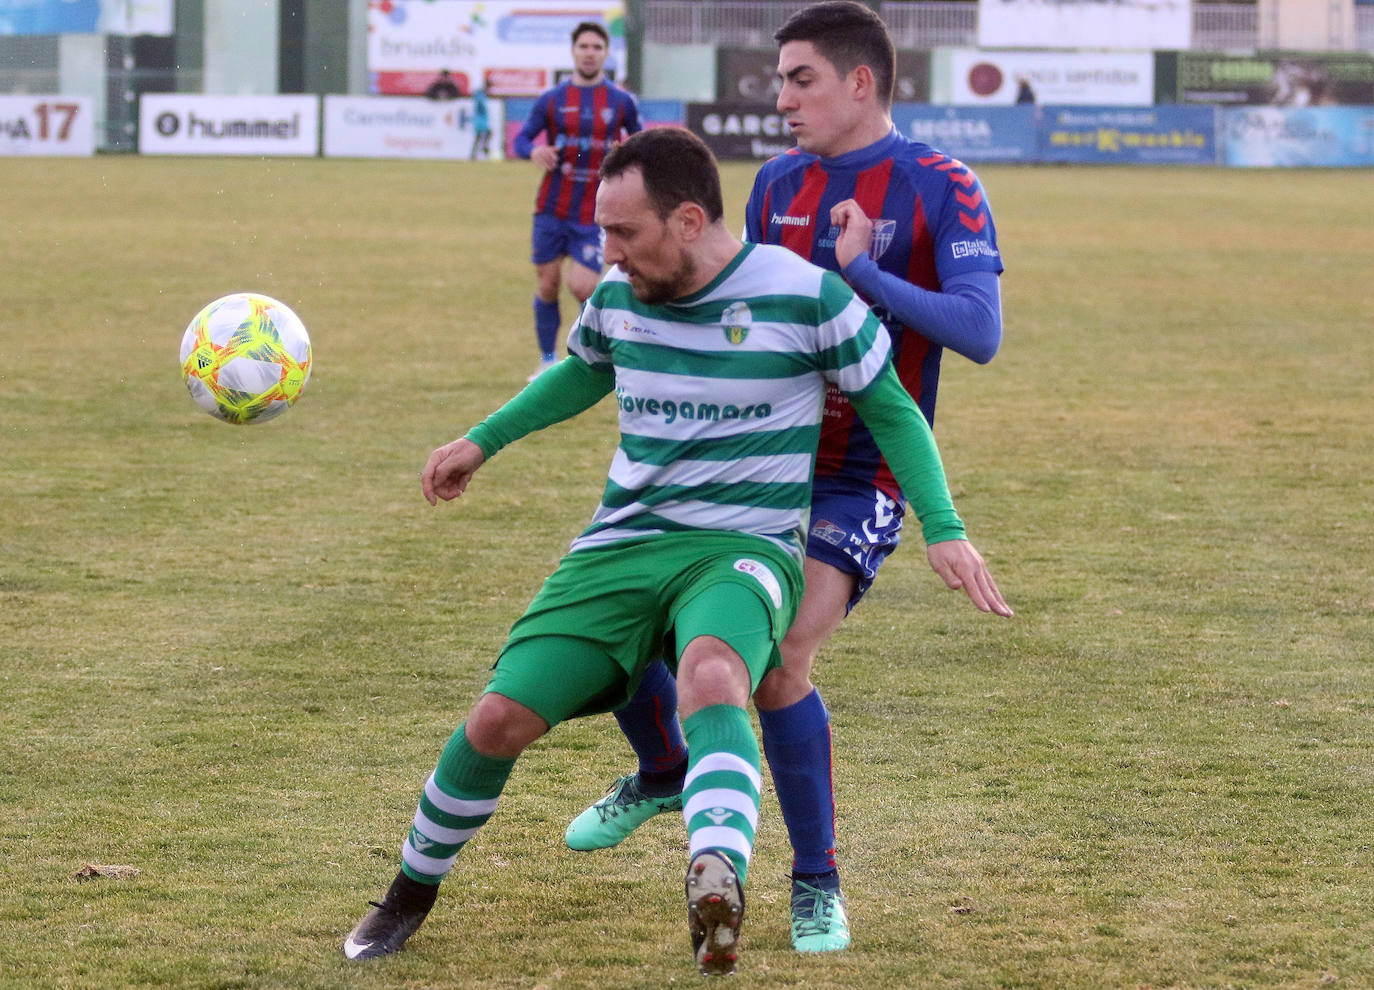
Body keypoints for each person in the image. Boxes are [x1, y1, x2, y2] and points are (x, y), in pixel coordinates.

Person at [342, 126, 1011, 978]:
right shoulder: (620, 297)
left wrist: (944, 528)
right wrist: (483, 441)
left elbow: (893, 411)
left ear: (689, 220)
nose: (607, 253)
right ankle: (406, 895)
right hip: (621, 545)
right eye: (602, 232)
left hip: (742, 546)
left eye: (625, 233)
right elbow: (582, 369)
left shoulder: (808, 297)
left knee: (715, 676)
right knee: (497, 719)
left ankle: (718, 875)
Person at [562, 0, 1006, 956]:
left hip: (862, 472)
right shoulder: (773, 182)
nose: (781, 97)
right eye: (778, 80)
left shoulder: (941, 185)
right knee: (632, 624)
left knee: (778, 661)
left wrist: (864, 274)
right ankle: (663, 768)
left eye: (799, 78)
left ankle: (816, 883)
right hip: (753, 462)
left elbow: (978, 333)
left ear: (859, 81)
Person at [513, 20, 641, 381]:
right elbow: (522, 140)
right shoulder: (552, 100)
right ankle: (548, 359)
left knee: (583, 286)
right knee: (548, 284)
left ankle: (589, 354)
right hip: (552, 208)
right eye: (583, 47)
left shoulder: (620, 101)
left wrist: (627, 154)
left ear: (605, 53)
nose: (589, 53)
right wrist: (534, 151)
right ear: (573, 52)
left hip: (595, 213)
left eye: (596, 47)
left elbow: (642, 142)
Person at [469, 85, 492, 161]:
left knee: (480, 137)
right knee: (483, 135)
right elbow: (481, 106)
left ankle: (475, 154)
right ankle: (484, 150)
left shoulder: (481, 96)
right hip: (480, 121)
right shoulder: (480, 97)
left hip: (480, 120)